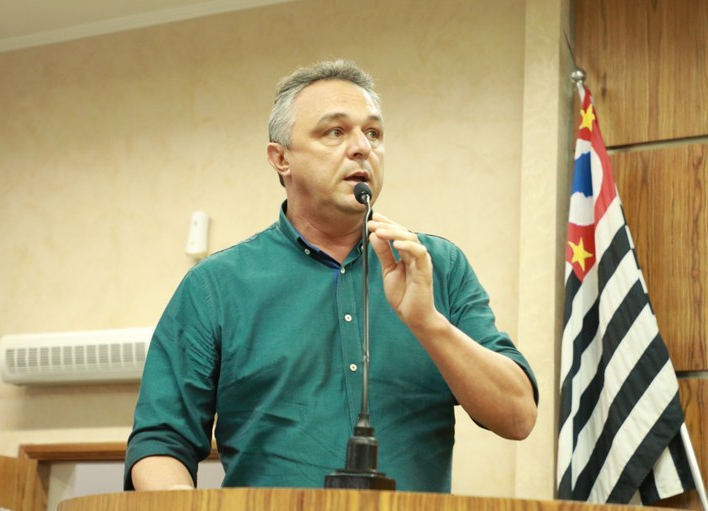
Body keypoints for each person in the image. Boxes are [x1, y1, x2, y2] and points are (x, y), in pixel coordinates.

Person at [124, 59, 538, 493]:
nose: (362, 148)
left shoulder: (436, 266)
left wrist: (428, 323)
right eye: (335, 132)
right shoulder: (216, 286)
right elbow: (160, 443)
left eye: (373, 133)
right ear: (281, 158)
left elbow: (518, 416)